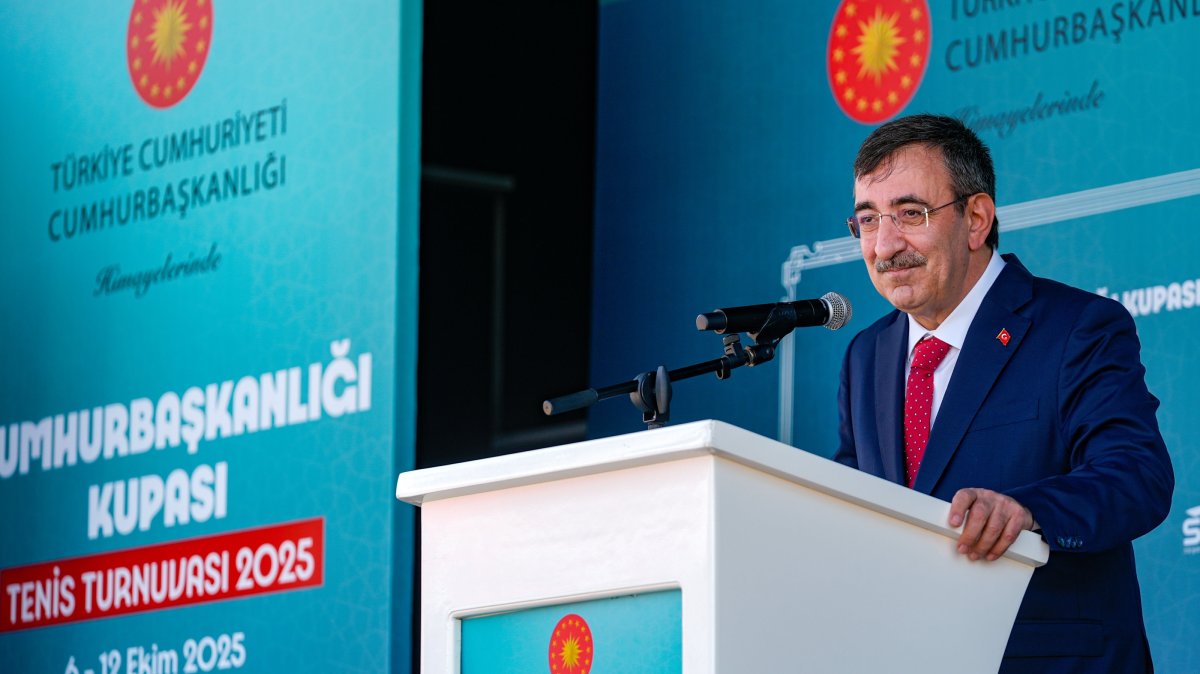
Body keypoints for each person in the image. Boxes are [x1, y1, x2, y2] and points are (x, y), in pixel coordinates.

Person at [833, 114, 1174, 672]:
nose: (885, 245)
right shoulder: (867, 355)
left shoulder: (1077, 327)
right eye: (868, 221)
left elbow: (1138, 475)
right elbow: (855, 500)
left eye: (910, 214)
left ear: (975, 218)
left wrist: (1029, 510)